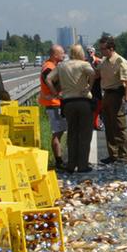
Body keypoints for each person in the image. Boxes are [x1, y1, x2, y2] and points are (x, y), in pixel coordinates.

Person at [49, 44, 97, 173]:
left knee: (72, 134)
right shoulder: (83, 64)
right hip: (83, 101)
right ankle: (82, 165)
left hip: (68, 103)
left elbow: (49, 79)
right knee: (85, 135)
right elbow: (94, 74)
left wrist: (55, 93)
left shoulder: (62, 66)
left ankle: (71, 164)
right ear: (81, 53)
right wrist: (89, 87)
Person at [96, 35, 127, 164]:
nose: (101, 51)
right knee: (109, 126)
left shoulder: (120, 62)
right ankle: (113, 155)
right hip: (106, 94)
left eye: (103, 49)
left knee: (119, 127)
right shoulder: (104, 61)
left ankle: (124, 155)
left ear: (111, 48)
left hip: (117, 95)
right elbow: (96, 74)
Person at [38, 45, 67, 169]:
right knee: (57, 132)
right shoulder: (49, 68)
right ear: (55, 55)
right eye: (62, 53)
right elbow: (55, 85)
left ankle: (59, 160)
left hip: (54, 103)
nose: (64, 55)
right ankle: (59, 161)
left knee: (59, 131)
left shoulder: (51, 66)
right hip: (53, 104)